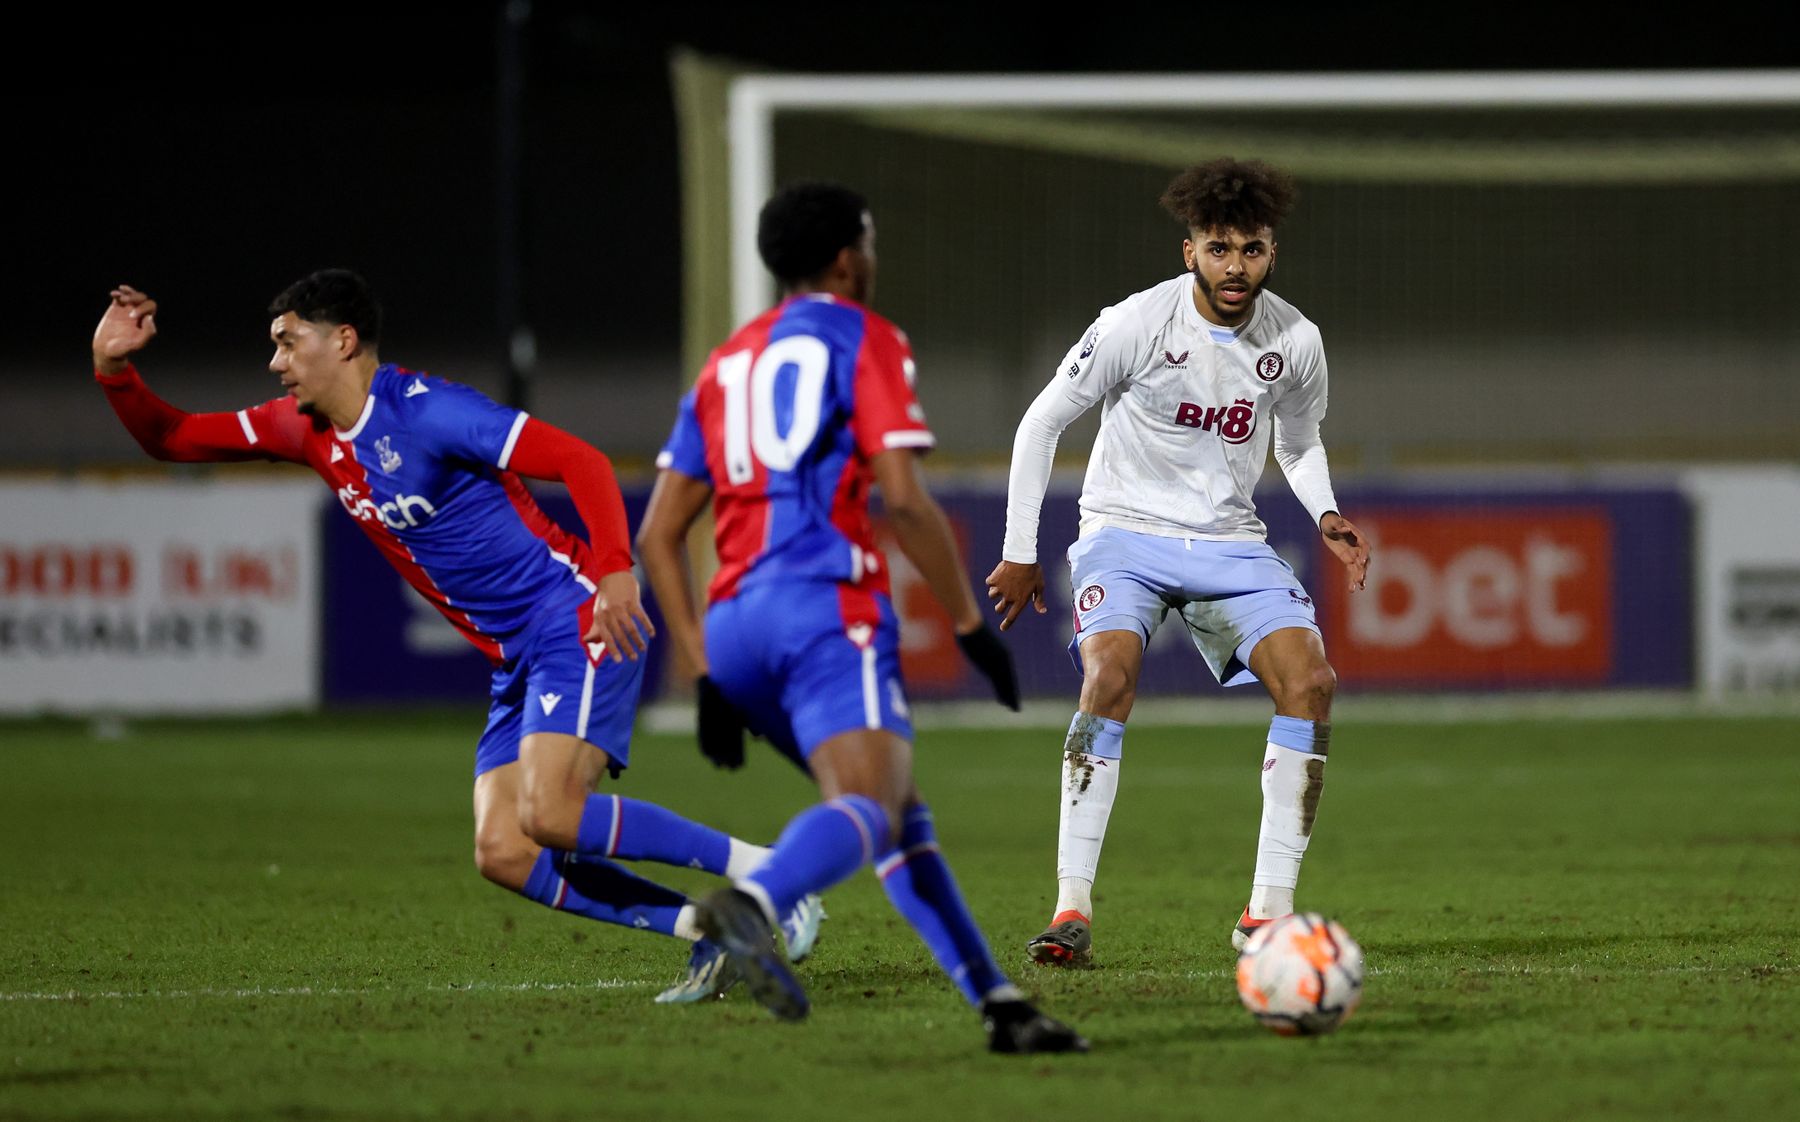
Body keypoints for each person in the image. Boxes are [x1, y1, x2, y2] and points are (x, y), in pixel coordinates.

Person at [89, 270, 821, 1003]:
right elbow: (174, 436)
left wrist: (614, 571)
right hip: (515, 659)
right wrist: (114, 369)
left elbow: (582, 462)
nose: (275, 362)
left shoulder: (430, 413)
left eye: (287, 343)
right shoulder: (302, 429)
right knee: (504, 849)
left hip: (574, 618)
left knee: (552, 812)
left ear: (342, 341)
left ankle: (772, 874)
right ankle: (711, 929)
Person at [636, 182, 1086, 1053]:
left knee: (896, 814)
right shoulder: (865, 337)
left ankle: (999, 1005)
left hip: (732, 626)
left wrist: (700, 671)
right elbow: (906, 503)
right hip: (822, 614)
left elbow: (658, 535)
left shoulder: (727, 361)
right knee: (872, 808)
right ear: (848, 258)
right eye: (870, 245)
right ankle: (753, 905)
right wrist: (966, 624)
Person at [985, 158, 1372, 966]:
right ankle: (1072, 909)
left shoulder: (1296, 341)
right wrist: (1020, 553)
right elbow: (1040, 425)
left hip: (1231, 541)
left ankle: (1267, 914)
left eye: (1254, 250)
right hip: (1124, 533)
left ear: (1272, 252)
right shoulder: (1134, 323)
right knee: (1109, 678)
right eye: (1221, 248)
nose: (1238, 268)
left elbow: (1297, 445)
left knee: (1313, 682)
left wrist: (1326, 512)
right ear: (1189, 249)